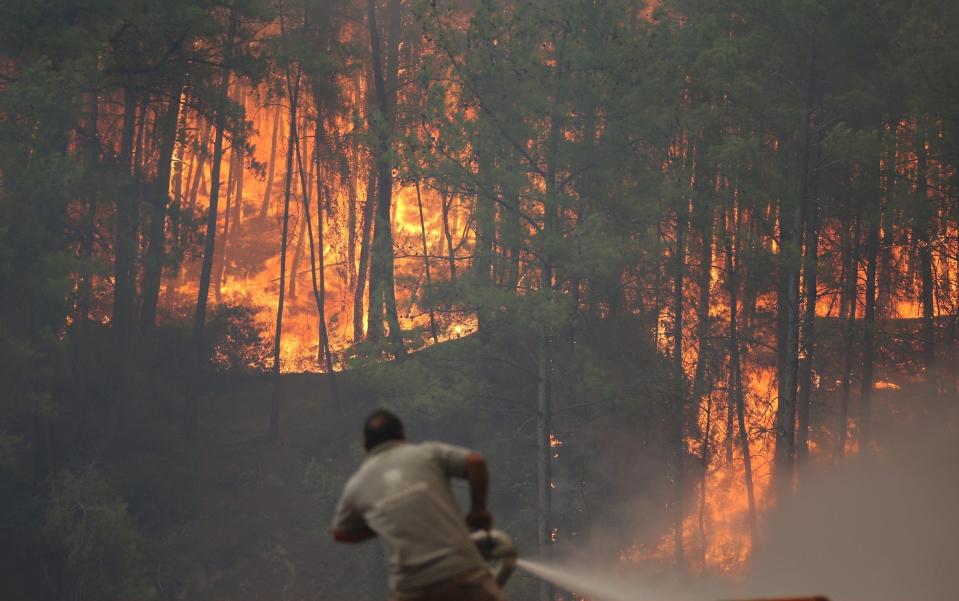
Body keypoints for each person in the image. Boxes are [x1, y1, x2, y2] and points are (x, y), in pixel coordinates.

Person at [331, 409, 504, 601]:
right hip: (462, 574)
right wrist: (478, 511)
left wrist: (383, 520)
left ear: (365, 446)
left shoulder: (358, 483)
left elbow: (341, 532)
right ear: (403, 435)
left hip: (411, 590)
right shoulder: (428, 454)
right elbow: (476, 462)